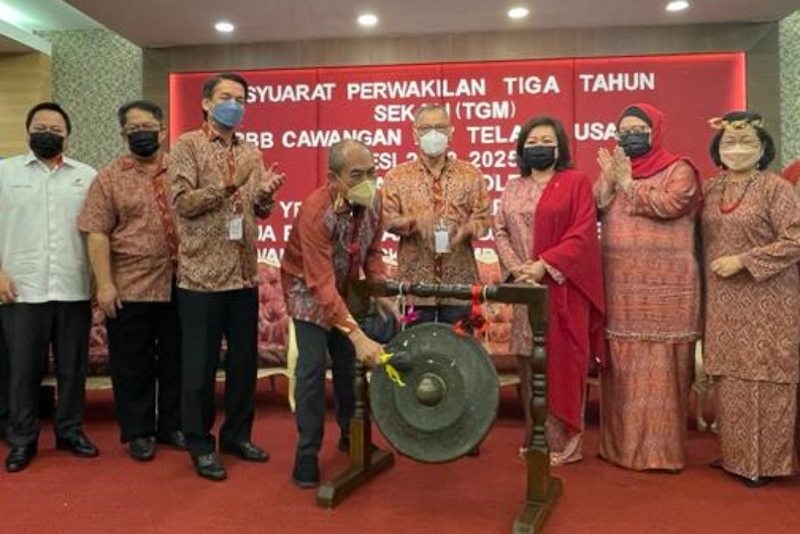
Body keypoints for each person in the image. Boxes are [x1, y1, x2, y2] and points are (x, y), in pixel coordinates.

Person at [169, 72, 285, 481]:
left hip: (243, 275)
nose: (233, 104)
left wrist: (265, 194)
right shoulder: (187, 146)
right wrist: (226, 184)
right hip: (201, 277)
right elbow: (182, 204)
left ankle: (237, 436)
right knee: (198, 368)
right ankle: (200, 444)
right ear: (205, 103)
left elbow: (255, 210)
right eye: (225, 97)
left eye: (240, 98)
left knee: (243, 365)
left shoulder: (250, 151)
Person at [595, 103, 701, 472]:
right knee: (623, 363)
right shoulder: (616, 170)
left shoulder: (680, 168)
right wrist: (609, 180)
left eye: (639, 128)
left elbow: (672, 204)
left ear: (656, 130)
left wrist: (628, 184)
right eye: (624, 130)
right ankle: (619, 448)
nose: (631, 136)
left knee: (660, 368)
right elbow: (595, 205)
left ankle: (663, 453)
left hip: (668, 288)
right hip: (621, 285)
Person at [282, 139, 394, 489]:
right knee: (312, 370)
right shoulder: (317, 211)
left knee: (350, 368)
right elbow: (320, 283)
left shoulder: (374, 200)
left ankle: (351, 435)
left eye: (372, 172)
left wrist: (379, 287)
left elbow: (373, 250)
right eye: (357, 175)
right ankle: (307, 452)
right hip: (308, 291)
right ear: (333, 177)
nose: (368, 181)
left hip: (345, 289)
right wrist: (358, 336)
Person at [494, 115, 605, 465]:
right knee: (528, 362)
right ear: (522, 149)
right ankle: (536, 436)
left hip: (560, 289)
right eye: (533, 141)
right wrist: (517, 270)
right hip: (525, 292)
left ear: (559, 147)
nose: (539, 147)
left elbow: (582, 233)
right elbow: (499, 230)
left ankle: (564, 441)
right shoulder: (513, 186)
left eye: (546, 141)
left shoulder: (576, 182)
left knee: (560, 363)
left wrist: (543, 265)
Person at [78, 100, 184, 462]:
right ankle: (138, 432)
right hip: (130, 284)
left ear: (163, 130)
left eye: (148, 127)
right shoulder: (108, 177)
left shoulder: (183, 170)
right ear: (123, 134)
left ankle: (173, 425)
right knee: (132, 363)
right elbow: (96, 232)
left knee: (177, 360)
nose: (142, 134)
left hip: (182, 283)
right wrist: (104, 284)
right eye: (133, 129)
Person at [701, 111, 800, 487]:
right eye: (729, 143)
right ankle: (737, 456)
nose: (737, 149)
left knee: (765, 377)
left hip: (769, 296)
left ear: (763, 150)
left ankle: (766, 464)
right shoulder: (712, 189)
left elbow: (795, 240)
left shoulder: (777, 189)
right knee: (731, 378)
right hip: (724, 300)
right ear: (717, 150)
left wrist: (744, 261)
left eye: (747, 143)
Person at [0, 102, 99, 473]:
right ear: (28, 131)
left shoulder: (86, 176)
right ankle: (22, 439)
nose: (48, 132)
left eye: (56, 128)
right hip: (21, 290)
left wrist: (98, 277)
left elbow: (98, 232)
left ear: (67, 136)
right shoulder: (5, 173)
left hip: (73, 287)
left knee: (73, 369)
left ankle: (70, 431)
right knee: (23, 369)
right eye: (40, 126)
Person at [382, 103, 492, 325]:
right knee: (416, 353)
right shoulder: (397, 176)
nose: (433, 134)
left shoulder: (471, 174)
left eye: (440, 127)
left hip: (459, 286)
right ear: (415, 134)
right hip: (414, 286)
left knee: (459, 353)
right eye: (426, 128)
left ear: (451, 133)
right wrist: (415, 223)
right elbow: (385, 219)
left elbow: (485, 220)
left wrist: (466, 230)